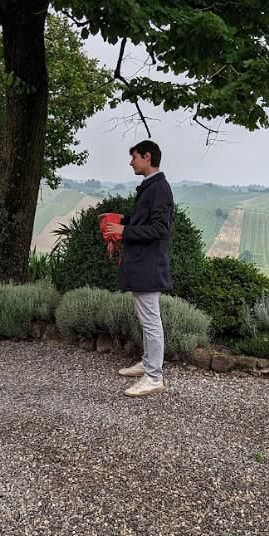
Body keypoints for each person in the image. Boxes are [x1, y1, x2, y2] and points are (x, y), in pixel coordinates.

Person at [104, 140, 173, 397]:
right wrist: (123, 220)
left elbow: (160, 229)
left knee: (151, 321)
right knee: (146, 319)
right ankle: (147, 363)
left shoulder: (160, 188)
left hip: (148, 264)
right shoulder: (150, 186)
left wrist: (124, 230)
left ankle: (154, 377)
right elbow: (145, 220)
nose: (131, 162)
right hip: (142, 262)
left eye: (134, 157)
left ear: (147, 157)